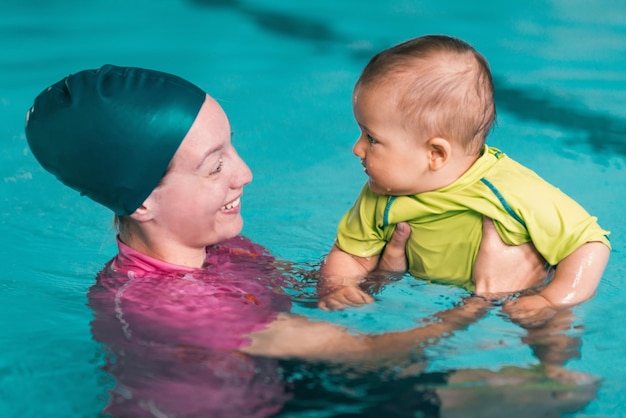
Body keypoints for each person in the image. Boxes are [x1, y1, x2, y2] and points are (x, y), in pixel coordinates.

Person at [25, 64, 547, 416]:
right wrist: (488, 299)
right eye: (215, 168)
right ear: (140, 200)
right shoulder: (168, 305)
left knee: (536, 395)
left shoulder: (220, 248)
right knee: (528, 398)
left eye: (232, 148)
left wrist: (386, 272)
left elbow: (310, 301)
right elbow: (369, 353)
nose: (245, 174)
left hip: (273, 379)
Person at [318, 35, 611, 328]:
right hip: (437, 307)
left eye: (371, 138)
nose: (357, 149)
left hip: (527, 294)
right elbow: (352, 256)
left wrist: (552, 300)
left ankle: (556, 369)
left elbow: (589, 244)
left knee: (552, 333)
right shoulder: (380, 198)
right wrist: (339, 286)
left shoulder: (510, 191)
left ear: (435, 153)